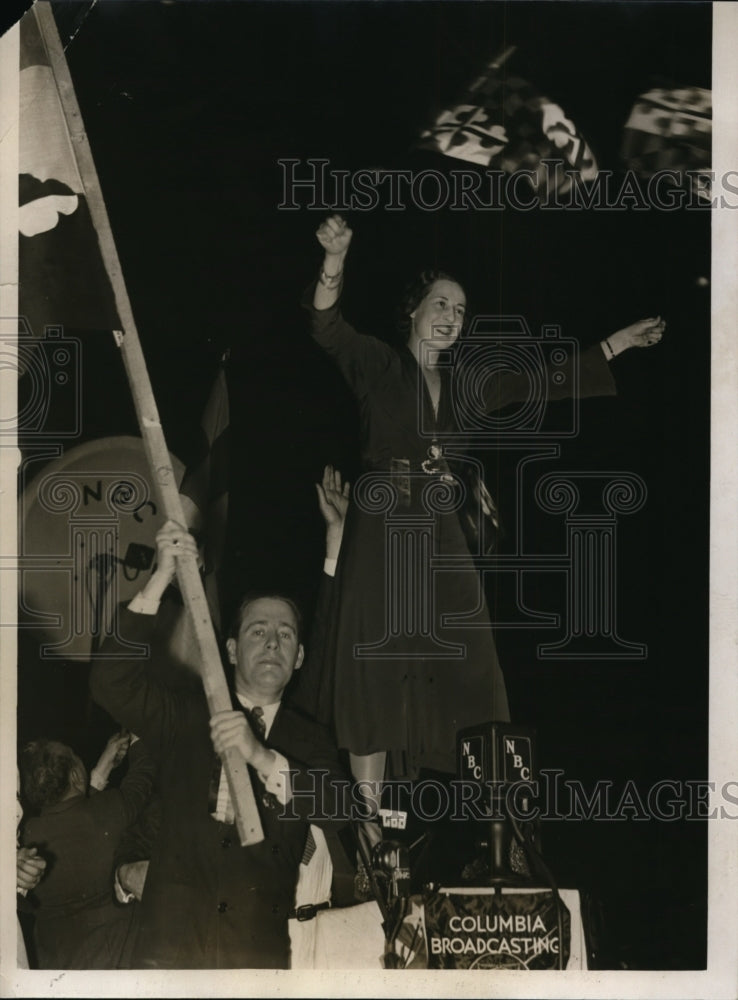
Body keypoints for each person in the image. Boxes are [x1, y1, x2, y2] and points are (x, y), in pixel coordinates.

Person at [304, 213, 666, 796]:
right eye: (441, 305)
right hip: (383, 522)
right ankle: (371, 824)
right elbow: (327, 327)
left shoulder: (472, 386)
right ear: (414, 312)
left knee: (472, 662)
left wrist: (616, 343)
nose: (451, 318)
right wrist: (335, 260)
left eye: (461, 311)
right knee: (374, 665)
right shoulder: (378, 364)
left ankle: (498, 815)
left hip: (442, 533)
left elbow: (543, 381)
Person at [88, 520, 348, 969]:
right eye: (257, 631)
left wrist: (262, 757)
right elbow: (110, 683)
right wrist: (161, 577)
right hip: (169, 955)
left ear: (300, 657)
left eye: (285, 635)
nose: (272, 642)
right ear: (229, 650)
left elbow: (343, 809)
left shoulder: (309, 742)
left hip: (256, 959)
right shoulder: (187, 716)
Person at [18, 731, 154, 969]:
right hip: (114, 962)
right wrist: (137, 737)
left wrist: (101, 771)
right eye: (74, 755)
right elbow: (143, 777)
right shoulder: (109, 809)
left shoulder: (29, 833)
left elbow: (72, 814)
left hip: (56, 966)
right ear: (74, 775)